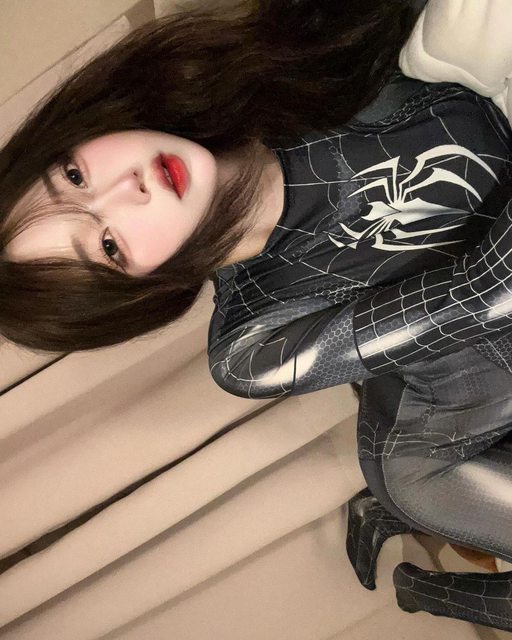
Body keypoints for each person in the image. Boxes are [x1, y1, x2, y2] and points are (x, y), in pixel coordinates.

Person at [1, 0, 512, 630]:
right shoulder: (249, 348)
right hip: (439, 445)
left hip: (432, 396)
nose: (125, 189)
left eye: (74, 174)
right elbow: (485, 295)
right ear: (141, 288)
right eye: (108, 246)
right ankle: (419, 586)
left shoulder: (294, 60)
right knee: (415, 487)